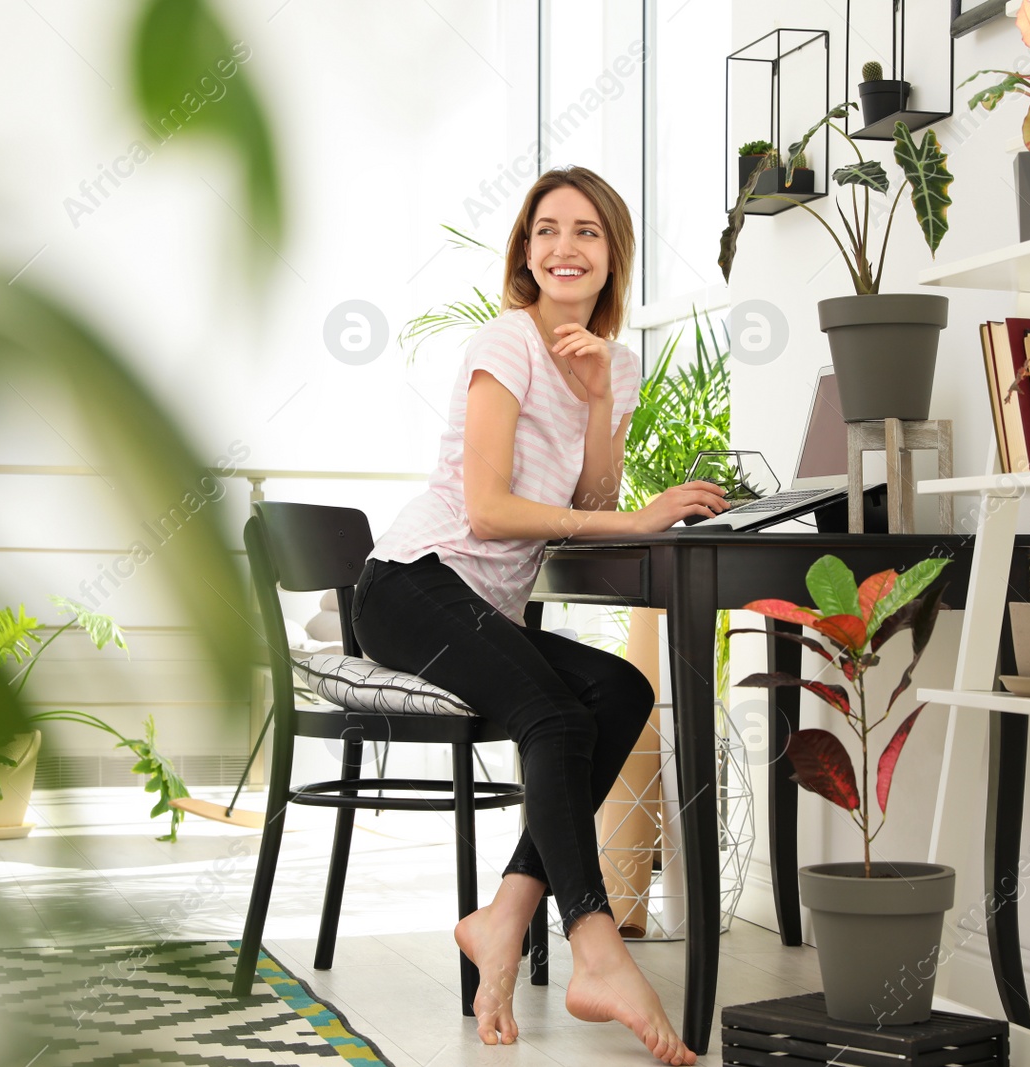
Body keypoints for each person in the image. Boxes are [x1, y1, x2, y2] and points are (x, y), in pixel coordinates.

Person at [351, 166, 729, 1065]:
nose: (566, 247)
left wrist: (601, 398)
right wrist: (632, 519)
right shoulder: (504, 343)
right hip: (409, 584)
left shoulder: (617, 363)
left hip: (478, 604)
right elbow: (485, 510)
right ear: (526, 251)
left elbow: (592, 491)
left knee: (620, 690)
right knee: (554, 712)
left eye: (588, 232)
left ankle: (503, 916)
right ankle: (595, 945)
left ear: (612, 258)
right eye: (548, 230)